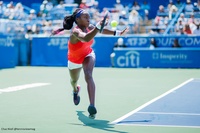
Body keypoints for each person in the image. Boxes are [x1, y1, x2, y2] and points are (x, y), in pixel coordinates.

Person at [52, 8, 128, 119]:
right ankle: (75, 90)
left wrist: (117, 33)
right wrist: (97, 27)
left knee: (88, 75)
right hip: (74, 60)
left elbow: (101, 30)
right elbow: (86, 38)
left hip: (88, 54)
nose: (88, 19)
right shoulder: (75, 32)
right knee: (74, 81)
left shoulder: (90, 27)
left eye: (89, 16)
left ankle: (92, 106)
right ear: (77, 19)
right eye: (85, 17)